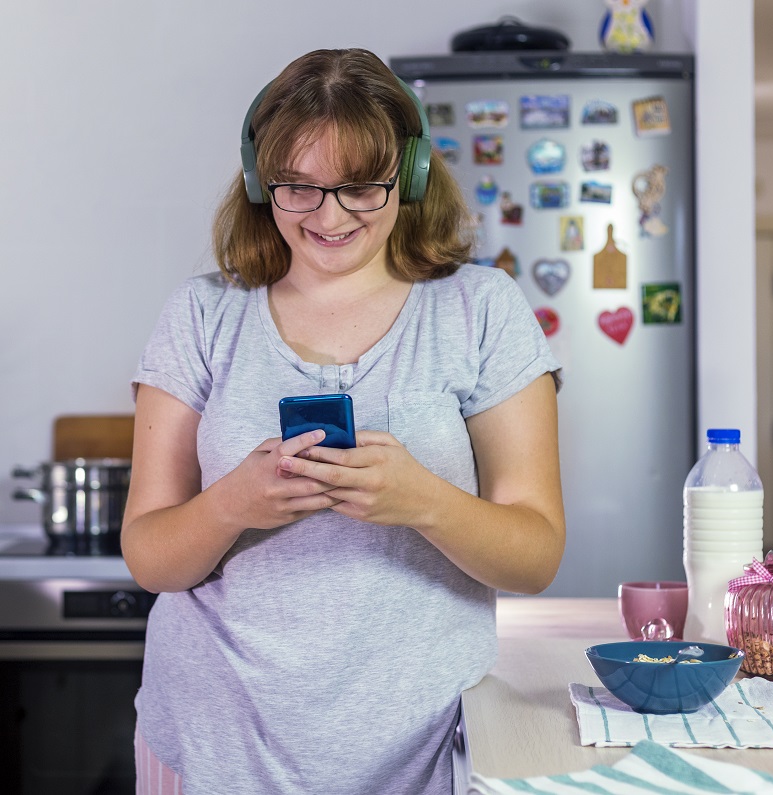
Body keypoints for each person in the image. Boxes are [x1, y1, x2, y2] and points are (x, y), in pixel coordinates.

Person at [121, 47, 565, 795]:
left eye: (360, 187)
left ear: (412, 177)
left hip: (424, 746)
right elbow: (150, 556)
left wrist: (422, 500)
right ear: (263, 182)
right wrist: (235, 502)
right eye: (299, 187)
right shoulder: (200, 315)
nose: (329, 216)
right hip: (213, 738)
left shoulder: (480, 310)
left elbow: (535, 556)